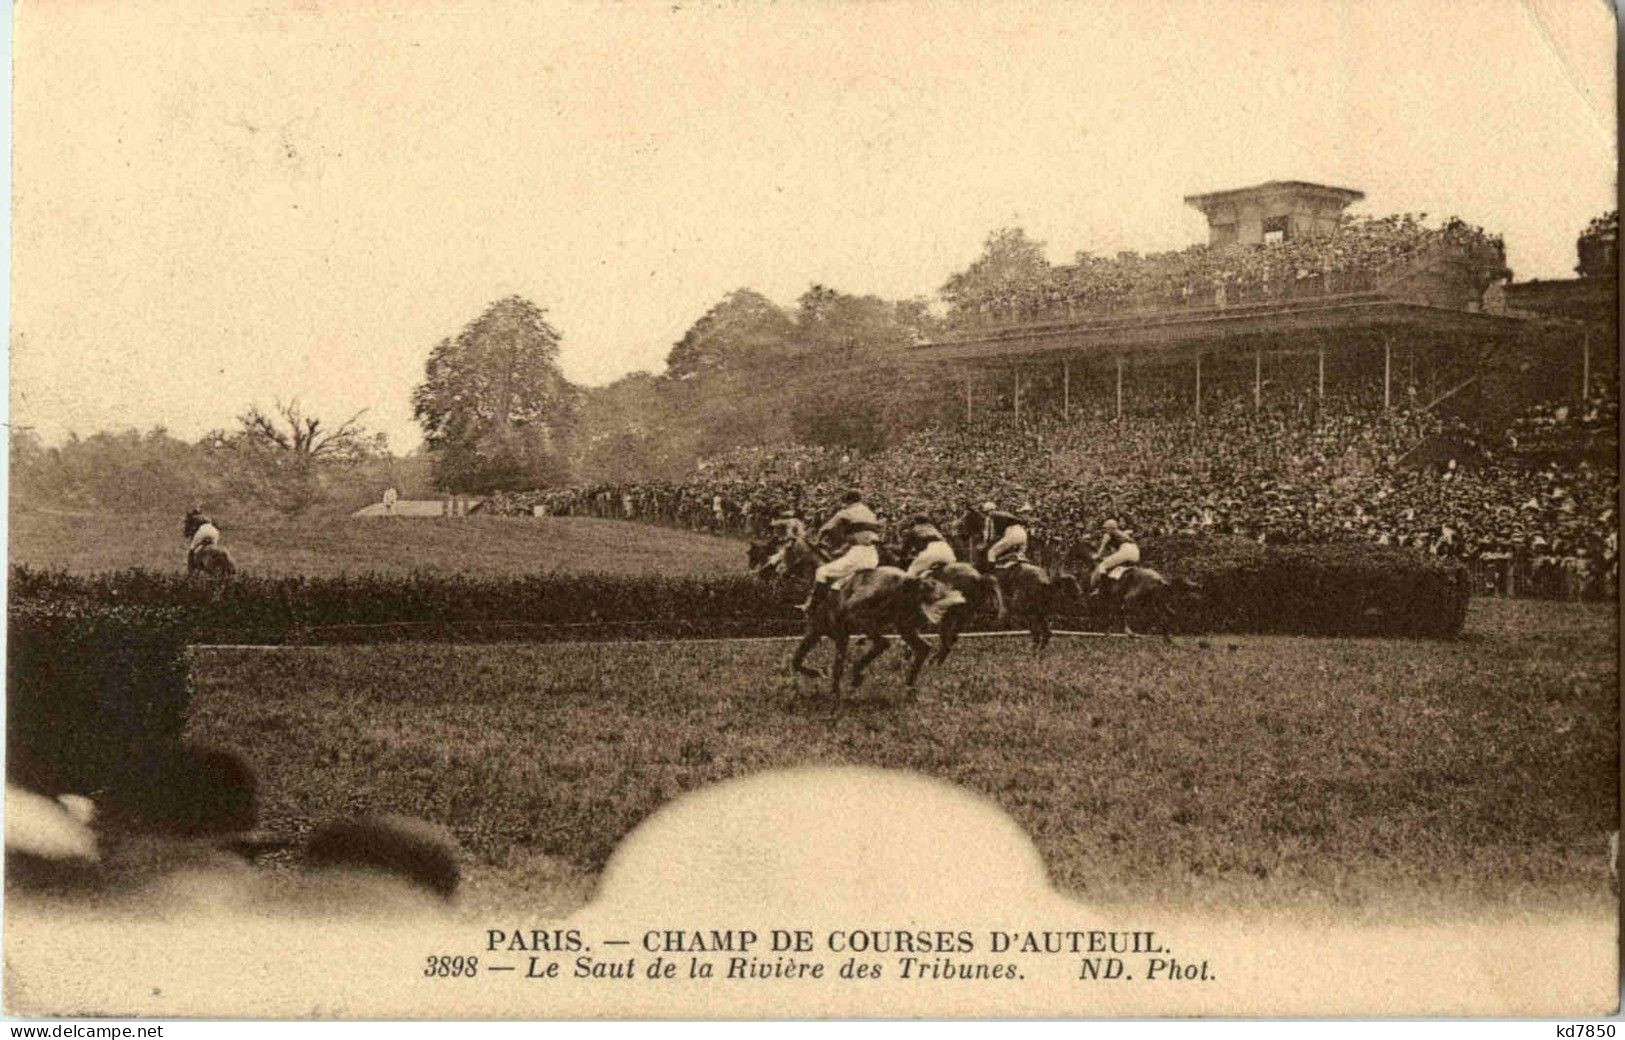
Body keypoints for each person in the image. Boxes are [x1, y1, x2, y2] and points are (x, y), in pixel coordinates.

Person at [798, 491, 883, 613]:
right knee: (838, 584)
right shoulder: (870, 513)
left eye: (844, 502)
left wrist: (817, 541)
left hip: (858, 554)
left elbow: (825, 529)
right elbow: (863, 533)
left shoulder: (845, 512)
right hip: (873, 555)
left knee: (821, 572)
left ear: (848, 501)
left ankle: (813, 607)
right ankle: (839, 611)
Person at [1090, 519, 1141, 594]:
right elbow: (1116, 553)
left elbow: (1101, 549)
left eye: (1106, 528)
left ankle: (1104, 589)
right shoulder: (1123, 533)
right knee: (1117, 566)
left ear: (1109, 528)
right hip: (1136, 552)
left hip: (1125, 551)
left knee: (1102, 566)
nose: (1105, 530)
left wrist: (1097, 556)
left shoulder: (1107, 535)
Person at [902, 513, 956, 578]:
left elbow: (905, 549)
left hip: (931, 551)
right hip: (948, 552)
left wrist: (902, 556)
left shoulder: (914, 530)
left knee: (911, 571)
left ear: (915, 522)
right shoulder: (934, 529)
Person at [758, 508, 808, 576]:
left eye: (785, 517)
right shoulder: (801, 522)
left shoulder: (789, 521)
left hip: (794, 542)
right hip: (803, 543)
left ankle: (763, 571)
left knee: (779, 556)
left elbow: (773, 524)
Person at [981, 501, 1029, 569]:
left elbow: (991, 535)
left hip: (1012, 534)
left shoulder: (991, 516)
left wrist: (985, 544)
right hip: (1023, 533)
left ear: (988, 511)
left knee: (991, 552)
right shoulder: (1005, 513)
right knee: (1018, 554)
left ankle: (991, 574)